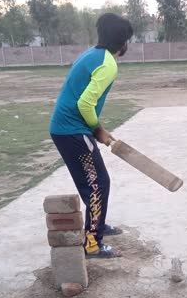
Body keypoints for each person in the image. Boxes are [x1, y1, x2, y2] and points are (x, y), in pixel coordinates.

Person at [49, 13, 133, 259]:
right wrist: (98, 129)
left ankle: (97, 225)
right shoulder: (108, 64)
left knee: (93, 183)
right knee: (98, 185)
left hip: (66, 129)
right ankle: (93, 244)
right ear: (124, 42)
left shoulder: (92, 54)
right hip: (73, 131)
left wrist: (94, 130)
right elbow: (86, 104)